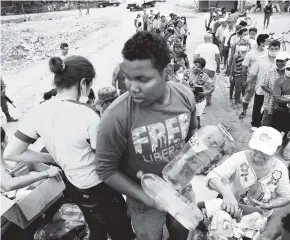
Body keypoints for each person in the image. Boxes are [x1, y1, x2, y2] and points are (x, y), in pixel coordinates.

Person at [3, 56, 135, 240]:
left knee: (96, 227)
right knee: (122, 232)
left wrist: (52, 158)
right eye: (89, 85)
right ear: (83, 83)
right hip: (100, 186)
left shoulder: (38, 112)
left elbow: (12, 153)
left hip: (75, 185)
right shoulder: (88, 115)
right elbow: (108, 161)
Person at [95, 31, 198, 240]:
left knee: (182, 231)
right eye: (127, 77)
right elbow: (105, 171)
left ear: (167, 72)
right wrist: (148, 199)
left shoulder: (185, 96)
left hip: (181, 188)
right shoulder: (115, 117)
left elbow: (192, 134)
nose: (132, 87)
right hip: (143, 199)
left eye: (142, 79)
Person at [206, 126, 290, 235]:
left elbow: (286, 196)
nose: (258, 154)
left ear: (277, 150)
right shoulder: (239, 158)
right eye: (256, 149)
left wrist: (268, 204)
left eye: (265, 152)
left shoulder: (280, 169)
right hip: (231, 210)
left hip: (258, 219)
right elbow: (213, 176)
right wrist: (227, 194)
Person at [1, 127, 61, 192]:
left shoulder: (6, 163)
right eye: (7, 139)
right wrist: (46, 173)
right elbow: (8, 185)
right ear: (3, 144)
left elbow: (32, 164)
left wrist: (51, 169)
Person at [248, 40, 280, 131]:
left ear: (279, 49)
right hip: (261, 88)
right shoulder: (261, 59)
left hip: (275, 91)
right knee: (258, 106)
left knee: (272, 108)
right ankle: (255, 123)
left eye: (276, 49)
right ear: (268, 48)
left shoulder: (281, 60)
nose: (274, 51)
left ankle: (268, 126)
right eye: (272, 49)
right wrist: (250, 85)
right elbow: (253, 73)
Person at [239, 34, 269, 119]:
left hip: (263, 80)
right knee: (247, 97)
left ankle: (258, 115)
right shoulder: (251, 53)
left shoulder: (267, 53)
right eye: (267, 41)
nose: (268, 42)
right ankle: (244, 111)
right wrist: (244, 81)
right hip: (252, 80)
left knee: (262, 99)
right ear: (262, 42)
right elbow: (244, 68)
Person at [261, 52, 288, 126]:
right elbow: (263, 85)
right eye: (278, 61)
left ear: (287, 61)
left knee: (277, 125)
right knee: (265, 122)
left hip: (282, 106)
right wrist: (275, 92)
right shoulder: (270, 72)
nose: (279, 63)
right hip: (269, 103)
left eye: (282, 61)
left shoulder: (288, 74)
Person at [186, 58, 214, 128]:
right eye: (195, 65)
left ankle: (197, 132)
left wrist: (206, 93)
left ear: (202, 68)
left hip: (198, 102)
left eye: (199, 67)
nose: (196, 68)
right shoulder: (186, 72)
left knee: (196, 119)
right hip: (186, 101)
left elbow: (212, 87)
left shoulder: (204, 76)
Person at [194, 33, 220, 105]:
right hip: (211, 69)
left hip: (202, 68)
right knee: (210, 84)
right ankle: (208, 98)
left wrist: (197, 66)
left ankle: (200, 98)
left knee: (200, 83)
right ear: (210, 39)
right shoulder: (214, 47)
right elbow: (218, 58)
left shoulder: (199, 47)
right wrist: (218, 67)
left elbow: (195, 57)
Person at [271, 60, 290, 159]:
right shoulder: (279, 81)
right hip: (279, 111)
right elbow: (277, 98)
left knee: (288, 134)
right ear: (285, 69)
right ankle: (272, 149)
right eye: (288, 69)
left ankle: (282, 149)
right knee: (275, 133)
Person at [229, 39, 250, 108]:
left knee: (245, 89)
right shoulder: (236, 55)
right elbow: (232, 65)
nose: (243, 46)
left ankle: (242, 101)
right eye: (241, 45)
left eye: (245, 45)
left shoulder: (249, 54)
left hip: (247, 74)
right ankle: (236, 102)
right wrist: (231, 76)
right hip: (238, 74)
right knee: (238, 89)